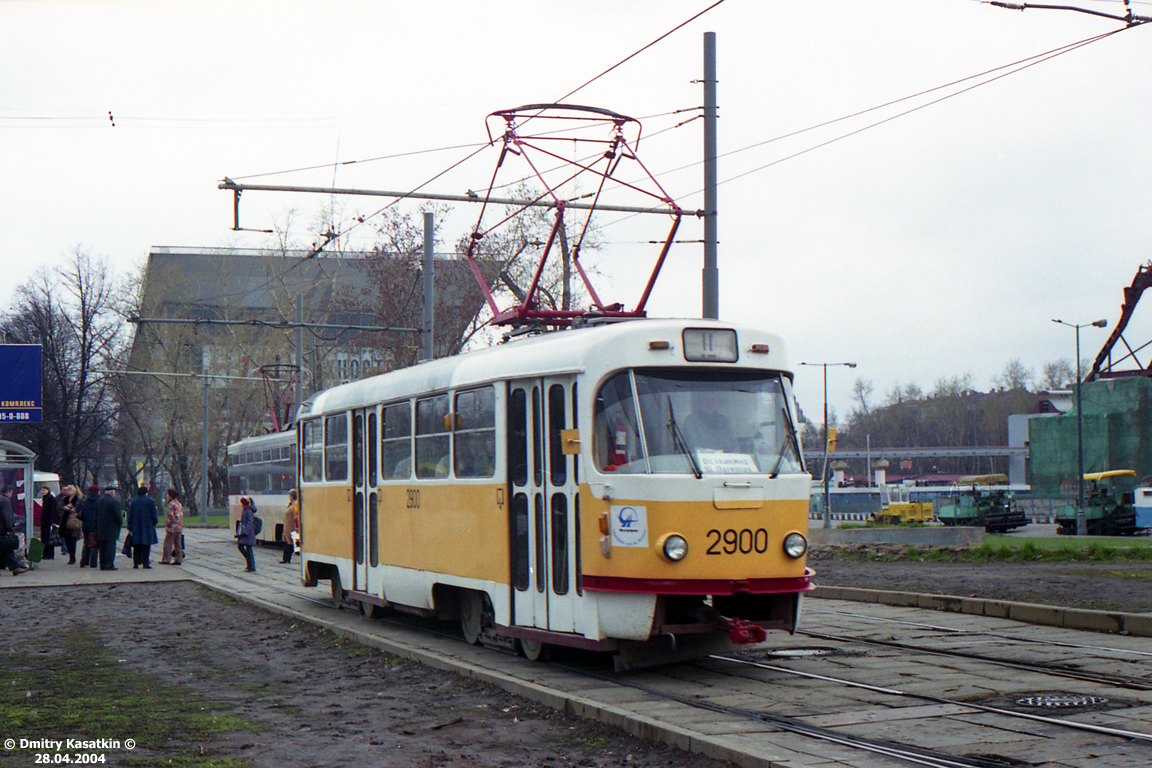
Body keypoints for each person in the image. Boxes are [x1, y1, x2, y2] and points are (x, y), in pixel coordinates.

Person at [0, 485, 31, 576]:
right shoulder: (5, 501)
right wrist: (10, 529)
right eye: (11, 493)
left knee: (5, 549)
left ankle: (15, 567)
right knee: (7, 548)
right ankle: (15, 568)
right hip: (1, 529)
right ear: (8, 492)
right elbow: (7, 516)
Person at [126, 486, 159, 569]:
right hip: (147, 526)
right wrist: (153, 523)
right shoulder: (150, 501)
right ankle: (145, 563)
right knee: (146, 545)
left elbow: (129, 515)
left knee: (136, 545)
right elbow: (154, 515)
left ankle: (136, 563)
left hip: (135, 526)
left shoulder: (133, 501)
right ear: (146, 492)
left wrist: (129, 526)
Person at [95, 483, 124, 571]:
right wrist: (120, 523)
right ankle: (109, 564)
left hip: (100, 527)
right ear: (112, 492)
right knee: (110, 547)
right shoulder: (113, 502)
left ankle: (102, 564)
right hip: (111, 528)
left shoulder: (99, 501)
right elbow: (117, 515)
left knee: (102, 547)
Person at [78, 485, 102, 568]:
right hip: (95, 525)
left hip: (86, 525)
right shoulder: (99, 500)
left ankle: (83, 561)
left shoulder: (85, 500)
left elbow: (78, 512)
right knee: (94, 544)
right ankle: (93, 563)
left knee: (86, 543)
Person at [58, 486, 82, 564]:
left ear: (75, 491)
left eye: (69, 490)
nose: (67, 492)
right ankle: (70, 555)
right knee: (67, 539)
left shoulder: (78, 499)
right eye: (67, 490)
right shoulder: (64, 499)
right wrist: (65, 507)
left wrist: (73, 509)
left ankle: (72, 557)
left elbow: (80, 508)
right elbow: (59, 507)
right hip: (65, 521)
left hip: (74, 522)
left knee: (72, 539)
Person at [160, 488, 184, 565]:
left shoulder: (171, 505)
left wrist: (168, 524)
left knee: (167, 543)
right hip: (179, 527)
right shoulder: (179, 504)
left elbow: (171, 517)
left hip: (173, 528)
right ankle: (179, 558)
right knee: (178, 544)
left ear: (170, 496)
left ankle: (166, 559)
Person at [235, 497, 257, 572]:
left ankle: (251, 565)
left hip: (247, 534)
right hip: (246, 533)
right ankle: (250, 565)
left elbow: (250, 523)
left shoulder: (248, 511)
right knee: (246, 548)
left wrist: (245, 531)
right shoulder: (246, 510)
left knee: (244, 548)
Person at [39, 485, 58, 560]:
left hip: (48, 521)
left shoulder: (50, 498)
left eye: (44, 490)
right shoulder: (46, 498)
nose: (42, 491)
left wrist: (53, 521)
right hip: (45, 521)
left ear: (48, 490)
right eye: (42, 490)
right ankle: (48, 554)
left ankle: (48, 554)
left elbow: (53, 510)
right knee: (47, 537)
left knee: (48, 538)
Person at [281, 489, 299, 564]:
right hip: (288, 526)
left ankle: (286, 559)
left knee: (290, 543)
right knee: (288, 542)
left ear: (292, 496)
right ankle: (286, 559)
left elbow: (296, 516)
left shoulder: (295, 505)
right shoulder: (291, 504)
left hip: (291, 527)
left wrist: (297, 528)